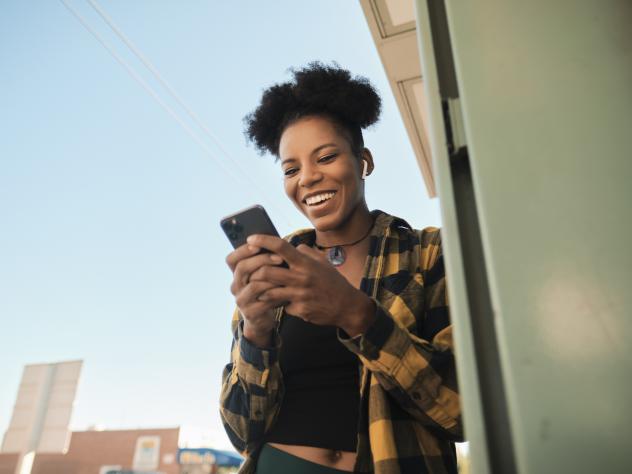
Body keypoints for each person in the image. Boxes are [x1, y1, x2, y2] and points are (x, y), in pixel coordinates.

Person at [220, 63, 462, 474]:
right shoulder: (275, 269)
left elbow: (460, 409)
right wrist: (255, 332)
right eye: (291, 169)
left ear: (363, 160)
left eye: (327, 157)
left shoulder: (430, 253)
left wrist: (354, 313)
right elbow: (243, 431)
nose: (309, 178)